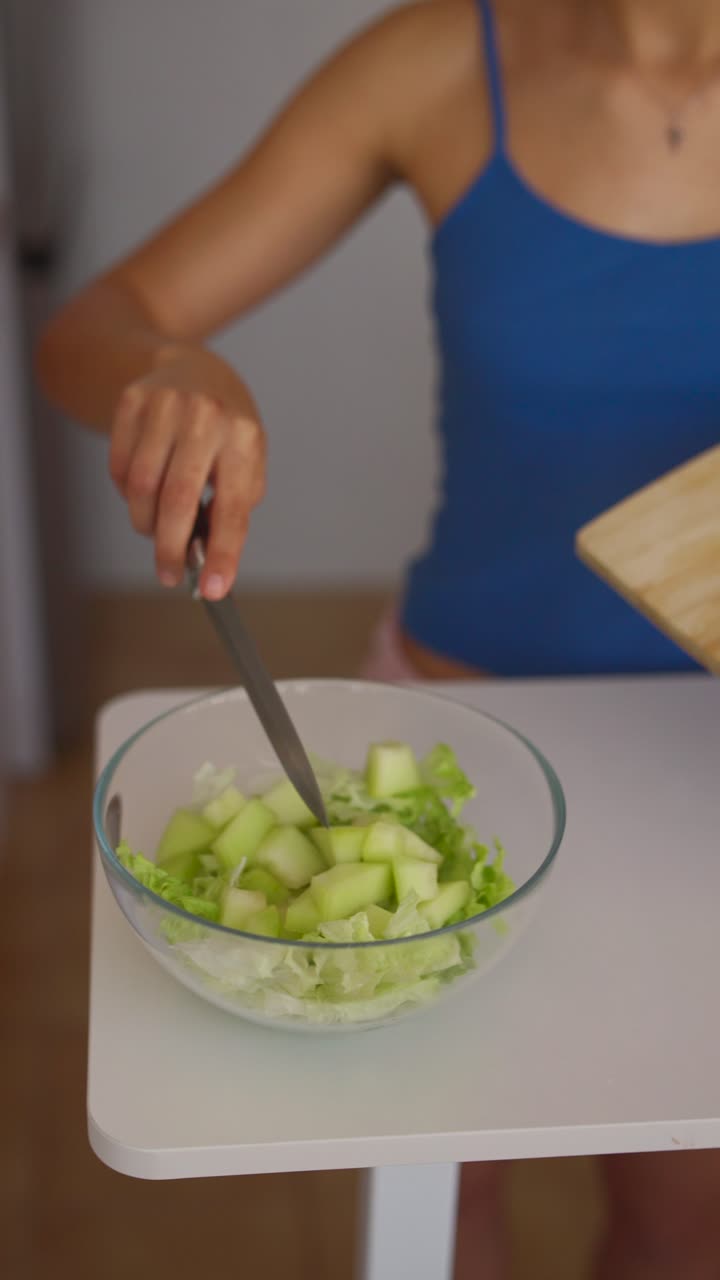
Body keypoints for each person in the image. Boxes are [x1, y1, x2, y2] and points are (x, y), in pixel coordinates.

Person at [37, 0, 719, 1274]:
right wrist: (169, 359)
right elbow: (92, 324)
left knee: (683, 1229)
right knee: (431, 1228)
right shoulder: (439, 60)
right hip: (458, 729)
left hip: (703, 786)